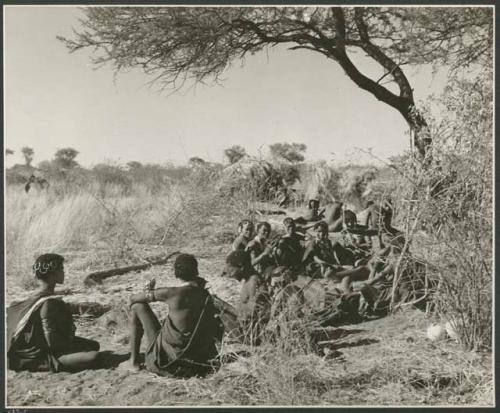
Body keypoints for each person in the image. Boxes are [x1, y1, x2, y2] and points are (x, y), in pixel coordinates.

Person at [128, 253, 224, 377]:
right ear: (196, 271)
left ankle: (133, 362)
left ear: (176, 272)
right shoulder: (204, 294)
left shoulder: (171, 293)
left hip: (169, 359)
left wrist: (148, 291)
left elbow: (133, 299)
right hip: (196, 359)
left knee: (137, 306)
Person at [7, 254, 100, 373]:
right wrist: (69, 337)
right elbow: (53, 344)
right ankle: (43, 365)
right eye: (61, 269)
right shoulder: (48, 304)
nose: (64, 272)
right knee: (93, 356)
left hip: (36, 345)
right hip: (37, 355)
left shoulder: (38, 296)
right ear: (52, 274)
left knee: (93, 345)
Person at [222, 250, 271, 345]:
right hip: (246, 329)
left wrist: (226, 307)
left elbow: (253, 314)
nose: (231, 274)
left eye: (232, 269)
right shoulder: (249, 279)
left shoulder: (254, 282)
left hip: (250, 335)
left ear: (241, 267)